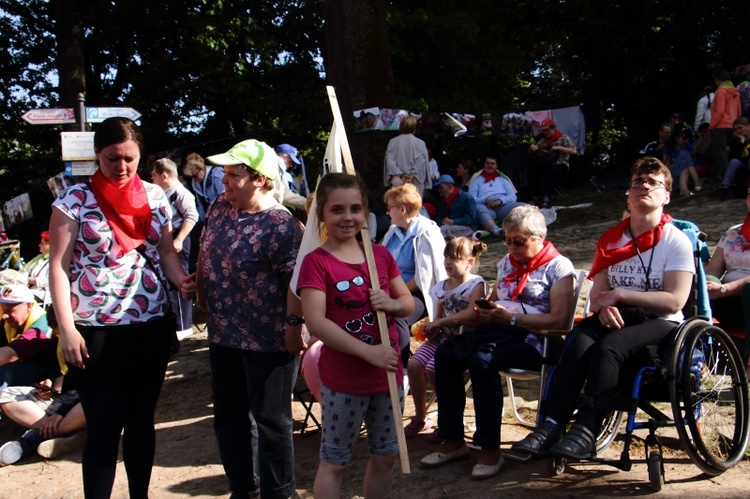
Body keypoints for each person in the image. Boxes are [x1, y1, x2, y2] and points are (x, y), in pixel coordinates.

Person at [49, 117, 196, 499]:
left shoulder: (155, 195)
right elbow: (58, 268)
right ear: (97, 153)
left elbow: (165, 252)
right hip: (93, 330)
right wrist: (67, 328)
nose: (122, 167)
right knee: (103, 426)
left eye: (130, 158)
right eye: (113, 158)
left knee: (141, 423)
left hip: (148, 324)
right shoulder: (73, 201)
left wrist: (181, 280)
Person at [512, 157, 694, 460]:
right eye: (637, 182)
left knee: (609, 347)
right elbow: (597, 296)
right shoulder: (611, 239)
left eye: (653, 182)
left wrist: (620, 294)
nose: (643, 186)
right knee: (579, 340)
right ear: (628, 193)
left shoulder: (676, 241)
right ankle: (552, 423)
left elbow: (675, 300)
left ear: (666, 196)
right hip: (617, 313)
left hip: (663, 321)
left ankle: (587, 428)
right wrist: (604, 306)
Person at [422, 205, 575, 479]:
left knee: (483, 361)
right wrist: (484, 310)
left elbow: (561, 321)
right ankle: (453, 439)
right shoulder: (507, 262)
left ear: (540, 237)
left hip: (536, 341)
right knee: (446, 354)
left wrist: (512, 320)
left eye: (519, 241)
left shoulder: (559, 266)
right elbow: (495, 298)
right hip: (498, 331)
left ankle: (489, 448)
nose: (512, 247)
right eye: (507, 240)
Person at [197, 139, 304, 499]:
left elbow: (299, 284)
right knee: (229, 419)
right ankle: (243, 488)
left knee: (271, 422)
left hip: (267, 341)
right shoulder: (219, 206)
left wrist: (293, 328)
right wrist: (196, 287)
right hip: (222, 335)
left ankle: (279, 494)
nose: (223, 181)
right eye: (224, 173)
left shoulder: (281, 225)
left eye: (232, 174)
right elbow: (205, 251)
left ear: (259, 179)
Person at [297, 172, 414, 499]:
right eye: (337, 210)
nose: (347, 217)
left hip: (387, 376)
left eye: (355, 208)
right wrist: (369, 353)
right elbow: (317, 323)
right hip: (345, 381)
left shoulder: (380, 256)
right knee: (335, 461)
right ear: (321, 214)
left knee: (386, 454)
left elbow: (407, 302)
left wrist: (391, 303)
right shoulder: (315, 263)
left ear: (365, 212)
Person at [405, 237, 487, 439]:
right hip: (442, 340)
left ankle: (448, 418)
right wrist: (431, 327)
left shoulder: (476, 284)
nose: (448, 262)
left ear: (470, 262)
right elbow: (438, 316)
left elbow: (472, 313)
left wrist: (441, 323)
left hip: (463, 340)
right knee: (414, 365)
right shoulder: (440, 287)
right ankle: (420, 416)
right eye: (447, 257)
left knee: (435, 369)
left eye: (456, 258)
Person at [382, 183, 447, 370]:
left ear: (402, 209)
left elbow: (423, 278)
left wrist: (395, 295)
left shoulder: (426, 233)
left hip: (418, 292)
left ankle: (400, 371)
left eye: (389, 208)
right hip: (392, 290)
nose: (387, 213)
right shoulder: (394, 231)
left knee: (398, 315)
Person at [704, 178, 750, 370]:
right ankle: (698, 355)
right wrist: (706, 283)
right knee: (702, 284)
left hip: (744, 296)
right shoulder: (732, 233)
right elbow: (713, 270)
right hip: (729, 304)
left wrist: (725, 288)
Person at [151, 158, 199, 340]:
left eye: (154, 175)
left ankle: (184, 326)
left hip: (179, 240)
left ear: (164, 175)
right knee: (170, 282)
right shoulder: (162, 193)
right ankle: (178, 324)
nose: (152, 179)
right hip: (168, 239)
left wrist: (179, 239)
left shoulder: (181, 193)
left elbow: (192, 216)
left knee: (181, 280)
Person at [0, 284, 57, 391]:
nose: (4, 315)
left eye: (10, 310)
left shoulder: (43, 324)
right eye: (3, 309)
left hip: (43, 377)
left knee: (7, 365)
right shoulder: (7, 321)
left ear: (29, 306)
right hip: (19, 371)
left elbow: (10, 355)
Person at [468, 155, 526, 237]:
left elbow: (513, 197)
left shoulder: (503, 179)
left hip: (502, 206)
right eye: (487, 163)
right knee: (478, 208)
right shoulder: (477, 180)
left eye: (492, 164)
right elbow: (471, 198)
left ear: (496, 166)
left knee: (524, 206)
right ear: (484, 164)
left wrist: (500, 200)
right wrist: (485, 200)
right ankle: (495, 230)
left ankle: (523, 228)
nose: (489, 165)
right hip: (486, 207)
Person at [527, 118, 577, 208]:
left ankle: (546, 198)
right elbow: (536, 151)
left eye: (548, 130)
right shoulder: (543, 141)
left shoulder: (563, 138)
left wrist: (559, 148)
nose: (546, 132)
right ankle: (533, 196)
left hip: (560, 164)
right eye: (544, 131)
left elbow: (574, 151)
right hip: (545, 164)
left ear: (553, 128)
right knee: (532, 171)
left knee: (547, 173)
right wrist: (532, 148)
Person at [383, 115, 431, 197]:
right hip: (416, 181)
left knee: (398, 206)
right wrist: (411, 175)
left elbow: (389, 160)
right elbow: (422, 162)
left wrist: (401, 175)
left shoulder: (392, 142)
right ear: (414, 128)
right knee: (414, 207)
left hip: (398, 180)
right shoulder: (420, 143)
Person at [710, 68, 742, 179]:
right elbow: (738, 111)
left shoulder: (721, 91)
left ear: (718, 80)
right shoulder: (735, 92)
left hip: (719, 126)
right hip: (732, 125)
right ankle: (727, 177)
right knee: (729, 152)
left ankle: (726, 179)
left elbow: (719, 111)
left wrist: (712, 125)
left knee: (721, 154)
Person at [183, 152, 225, 222]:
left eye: (195, 176)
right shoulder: (196, 184)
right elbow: (201, 207)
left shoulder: (217, 175)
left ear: (202, 169)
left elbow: (225, 199)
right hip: (210, 219)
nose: (194, 179)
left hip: (222, 216)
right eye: (191, 177)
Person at [662, 125, 703, 196]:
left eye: (686, 138)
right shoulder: (668, 148)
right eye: (683, 138)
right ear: (676, 138)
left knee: (685, 167)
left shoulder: (688, 146)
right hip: (672, 175)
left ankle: (684, 189)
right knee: (684, 154)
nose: (685, 141)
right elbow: (666, 168)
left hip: (685, 175)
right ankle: (697, 182)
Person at [435, 175, 478, 239]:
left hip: (468, 228)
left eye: (441, 187)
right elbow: (439, 218)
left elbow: (471, 218)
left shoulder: (466, 197)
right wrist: (442, 221)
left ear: (449, 186)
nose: (439, 190)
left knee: (442, 230)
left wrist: (453, 221)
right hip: (451, 228)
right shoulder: (443, 202)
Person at [718, 117, 750, 198]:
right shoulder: (736, 140)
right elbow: (737, 157)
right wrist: (741, 142)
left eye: (740, 128)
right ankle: (725, 187)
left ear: (748, 126)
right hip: (744, 162)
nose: (738, 131)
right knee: (734, 162)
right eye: (736, 129)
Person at [274, 143, 309, 213]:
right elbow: (284, 194)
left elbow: (284, 193)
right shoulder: (274, 169)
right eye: (290, 162)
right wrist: (308, 203)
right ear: (283, 157)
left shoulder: (278, 170)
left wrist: (307, 202)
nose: (291, 165)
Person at [24, 231, 50, 305]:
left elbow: (50, 281)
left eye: (42, 243)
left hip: (41, 294)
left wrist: (30, 280)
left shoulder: (56, 260)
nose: (39, 245)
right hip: (28, 290)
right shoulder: (39, 258)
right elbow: (24, 270)